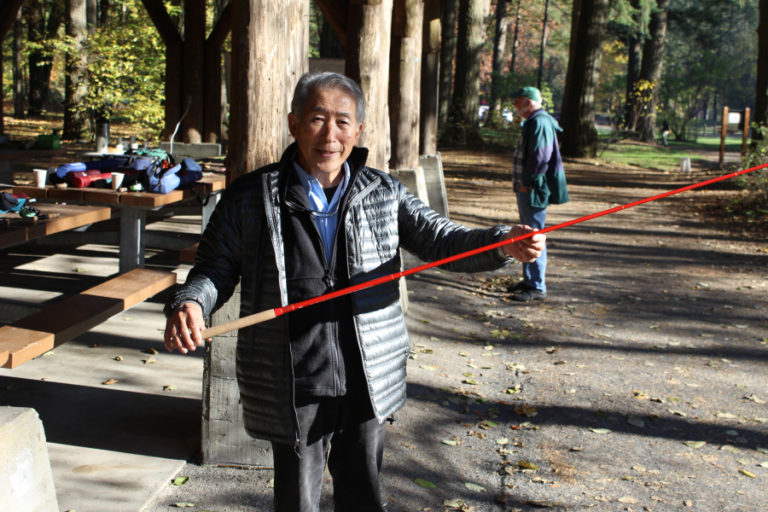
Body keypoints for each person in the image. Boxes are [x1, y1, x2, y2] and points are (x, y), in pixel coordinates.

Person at [163, 71, 546, 512]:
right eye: (317, 119)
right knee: (296, 502)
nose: (330, 135)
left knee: (362, 497)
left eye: (343, 122)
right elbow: (214, 265)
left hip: (366, 379)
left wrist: (503, 242)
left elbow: (442, 240)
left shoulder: (382, 193)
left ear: (358, 131)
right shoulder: (251, 197)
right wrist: (191, 301)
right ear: (293, 123)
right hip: (293, 381)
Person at [507, 86, 569, 302]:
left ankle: (537, 286)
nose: (515, 106)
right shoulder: (535, 121)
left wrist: (529, 183)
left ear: (528, 101)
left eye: (518, 101)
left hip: (533, 189)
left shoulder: (539, 122)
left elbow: (541, 157)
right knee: (527, 232)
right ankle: (529, 280)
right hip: (529, 187)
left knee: (534, 234)